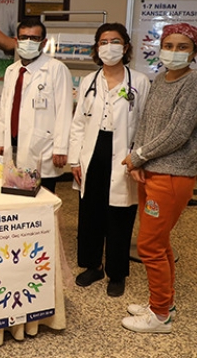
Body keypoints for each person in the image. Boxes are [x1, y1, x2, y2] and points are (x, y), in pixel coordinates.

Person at [121, 22, 197, 333]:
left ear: (193, 52)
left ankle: (160, 316)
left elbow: (178, 132)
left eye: (182, 47)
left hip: (173, 174)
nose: (174, 52)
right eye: (169, 45)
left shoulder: (192, 83)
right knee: (159, 241)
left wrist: (139, 156)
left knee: (149, 245)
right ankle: (163, 302)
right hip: (151, 170)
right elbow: (145, 122)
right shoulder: (160, 79)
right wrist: (138, 159)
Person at [68, 23, 150, 297]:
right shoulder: (88, 81)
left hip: (125, 154)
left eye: (115, 41)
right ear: (97, 47)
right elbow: (78, 123)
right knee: (90, 212)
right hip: (92, 152)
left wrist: (138, 157)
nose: (109, 47)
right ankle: (93, 266)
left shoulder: (139, 81)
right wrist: (75, 161)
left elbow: (145, 124)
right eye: (103, 42)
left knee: (120, 214)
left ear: (125, 47)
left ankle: (117, 273)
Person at [0, 17, 72, 193]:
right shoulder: (12, 70)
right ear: (16, 41)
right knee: (13, 192)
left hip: (42, 146)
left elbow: (64, 111)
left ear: (43, 43)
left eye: (34, 38)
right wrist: (0, 139)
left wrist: (61, 147)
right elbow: (5, 107)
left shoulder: (56, 69)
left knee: (42, 197)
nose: (28, 42)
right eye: (24, 38)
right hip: (13, 142)